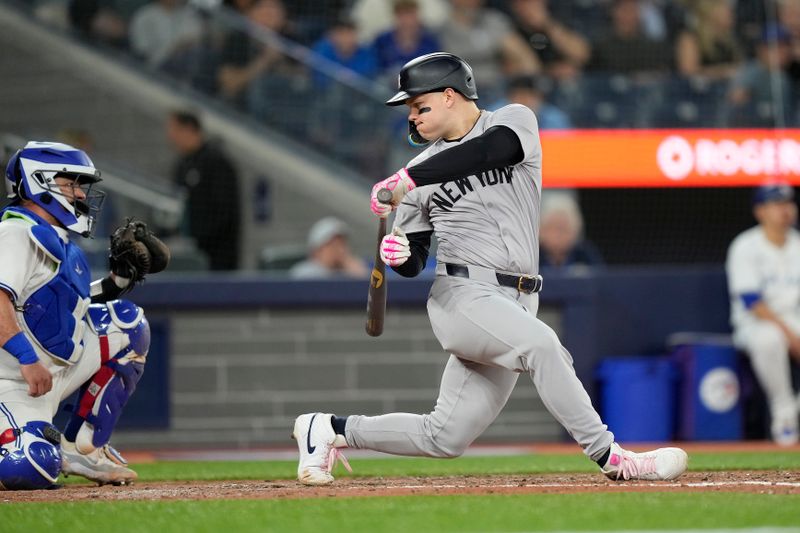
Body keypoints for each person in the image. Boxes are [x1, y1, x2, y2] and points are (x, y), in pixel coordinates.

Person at [291, 52, 688, 486]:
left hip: (519, 299)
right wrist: (401, 255)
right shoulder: (418, 173)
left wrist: (407, 180)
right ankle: (612, 457)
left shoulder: (512, 121)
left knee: (445, 436)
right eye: (410, 110)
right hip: (462, 297)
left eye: (420, 106)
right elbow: (415, 257)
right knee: (542, 346)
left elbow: (488, 151)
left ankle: (327, 428)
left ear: (449, 96)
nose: (414, 118)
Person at [0, 141, 168, 489]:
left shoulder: (56, 238)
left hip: (49, 374)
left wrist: (118, 280)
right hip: (13, 382)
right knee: (29, 468)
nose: (79, 194)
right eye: (71, 183)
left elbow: (68, 305)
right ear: (39, 181)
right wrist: (27, 359)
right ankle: (28, 440)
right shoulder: (15, 232)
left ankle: (83, 447)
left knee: (126, 324)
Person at [726, 182, 800, 446]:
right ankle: (784, 414)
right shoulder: (746, 245)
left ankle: (794, 406)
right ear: (761, 211)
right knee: (770, 339)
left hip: (794, 319)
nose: (785, 210)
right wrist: (791, 335)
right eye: (777, 205)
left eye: (788, 204)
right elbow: (752, 301)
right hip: (756, 323)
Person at [166, 110, 241, 271]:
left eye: (175, 130)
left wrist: (195, 238)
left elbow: (224, 213)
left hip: (216, 258)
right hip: (187, 256)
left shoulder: (217, 162)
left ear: (190, 128)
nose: (171, 136)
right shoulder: (182, 165)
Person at [539, 192, 603, 270]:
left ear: (575, 230)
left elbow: (601, 279)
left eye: (562, 229)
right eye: (552, 228)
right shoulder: (534, 256)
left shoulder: (586, 255)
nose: (557, 235)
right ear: (541, 230)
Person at [289, 217, 368, 279]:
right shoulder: (304, 272)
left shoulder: (350, 269)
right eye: (332, 245)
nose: (338, 249)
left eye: (342, 244)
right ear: (317, 250)